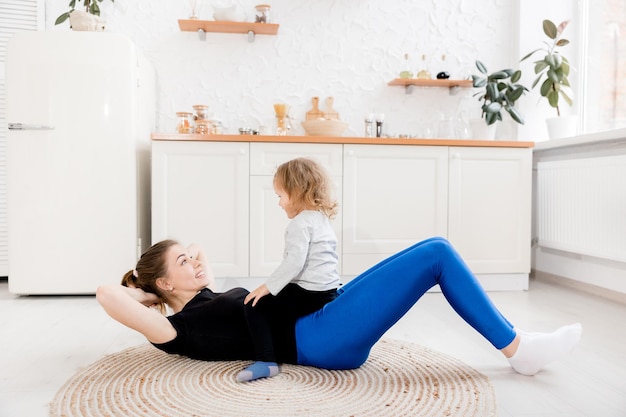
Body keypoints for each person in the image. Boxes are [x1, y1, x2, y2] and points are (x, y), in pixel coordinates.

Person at [98, 236, 582, 380]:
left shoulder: (204, 297)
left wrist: (165, 276)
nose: (196, 262)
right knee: (437, 255)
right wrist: (146, 294)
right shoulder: (174, 331)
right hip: (318, 341)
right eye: (183, 263)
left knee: (432, 249)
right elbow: (107, 293)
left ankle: (520, 345)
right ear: (163, 283)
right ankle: (520, 350)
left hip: (319, 318)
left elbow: (199, 249)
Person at [241, 158, 342, 380]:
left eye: (280, 196)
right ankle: (282, 348)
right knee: (280, 305)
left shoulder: (300, 223)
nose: (279, 203)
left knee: (254, 305)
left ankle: (266, 361)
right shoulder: (320, 219)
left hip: (311, 293)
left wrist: (268, 287)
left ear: (297, 193)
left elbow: (294, 262)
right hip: (328, 289)